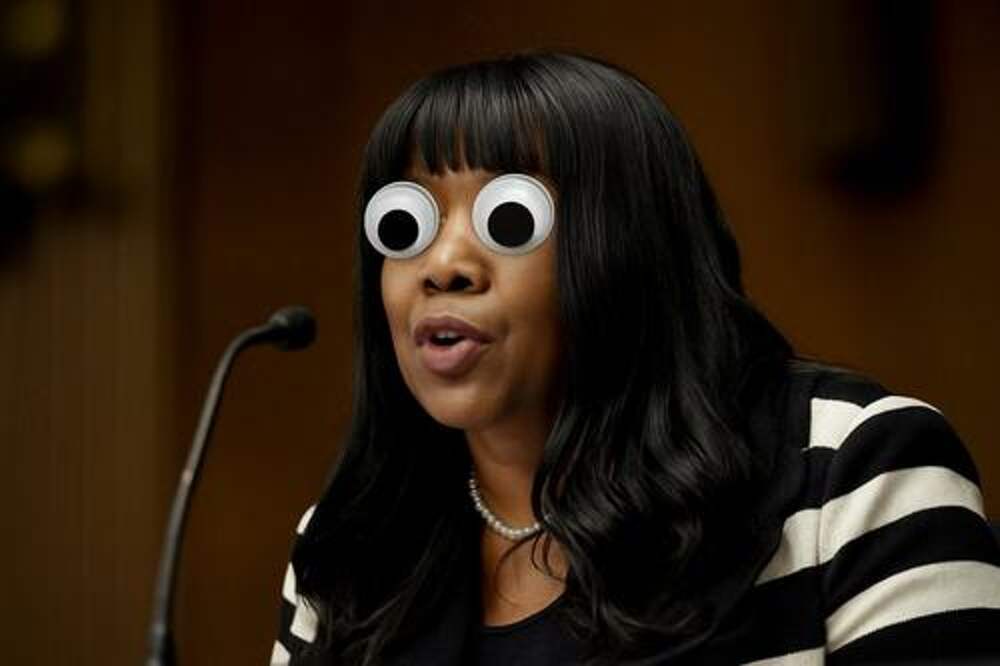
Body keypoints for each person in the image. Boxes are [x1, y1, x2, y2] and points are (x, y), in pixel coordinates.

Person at [270, 52, 1000, 665]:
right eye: (406, 225)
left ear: (631, 247)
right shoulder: (349, 548)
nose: (443, 266)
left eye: (508, 219)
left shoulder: (853, 469)